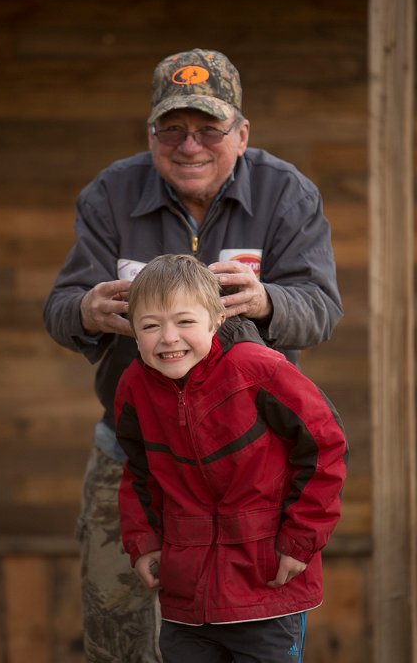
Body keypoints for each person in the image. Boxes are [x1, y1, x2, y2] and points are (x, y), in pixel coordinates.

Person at [43, 48, 343, 663]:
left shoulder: (287, 192)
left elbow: (322, 307)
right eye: (172, 129)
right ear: (150, 133)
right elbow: (61, 306)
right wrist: (85, 310)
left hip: (252, 465)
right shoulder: (110, 193)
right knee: (117, 628)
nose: (189, 146)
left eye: (209, 129)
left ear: (242, 133)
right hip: (135, 455)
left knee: (252, 629)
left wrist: (268, 301)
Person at [116, 254, 348, 663]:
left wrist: (301, 540)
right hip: (186, 595)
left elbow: (325, 445)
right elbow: (138, 472)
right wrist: (144, 541)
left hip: (267, 586)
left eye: (185, 321)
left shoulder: (257, 368)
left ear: (217, 320)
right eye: (150, 326)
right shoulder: (135, 386)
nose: (168, 337)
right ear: (134, 333)